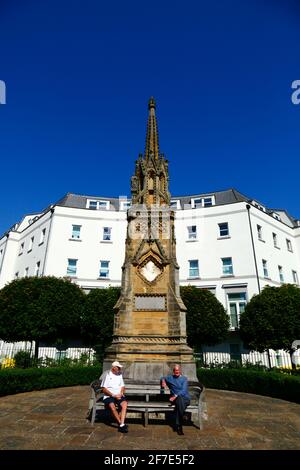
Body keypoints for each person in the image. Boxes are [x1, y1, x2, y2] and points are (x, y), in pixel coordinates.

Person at [161, 364, 190, 435]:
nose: (177, 371)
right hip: (176, 400)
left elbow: (183, 391)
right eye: (175, 370)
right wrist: (163, 381)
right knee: (179, 401)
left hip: (185, 399)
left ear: (180, 371)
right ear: (173, 371)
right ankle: (180, 423)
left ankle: (178, 424)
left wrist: (175, 396)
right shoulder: (170, 378)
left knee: (179, 400)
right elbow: (163, 377)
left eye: (178, 370)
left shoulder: (184, 379)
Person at [100, 360, 128, 433]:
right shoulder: (107, 375)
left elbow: (122, 386)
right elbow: (104, 389)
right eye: (118, 368)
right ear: (114, 368)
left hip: (119, 395)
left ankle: (121, 424)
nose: (119, 369)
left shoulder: (119, 374)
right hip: (109, 396)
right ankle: (121, 424)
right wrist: (113, 395)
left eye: (119, 368)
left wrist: (121, 393)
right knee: (112, 406)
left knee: (124, 404)